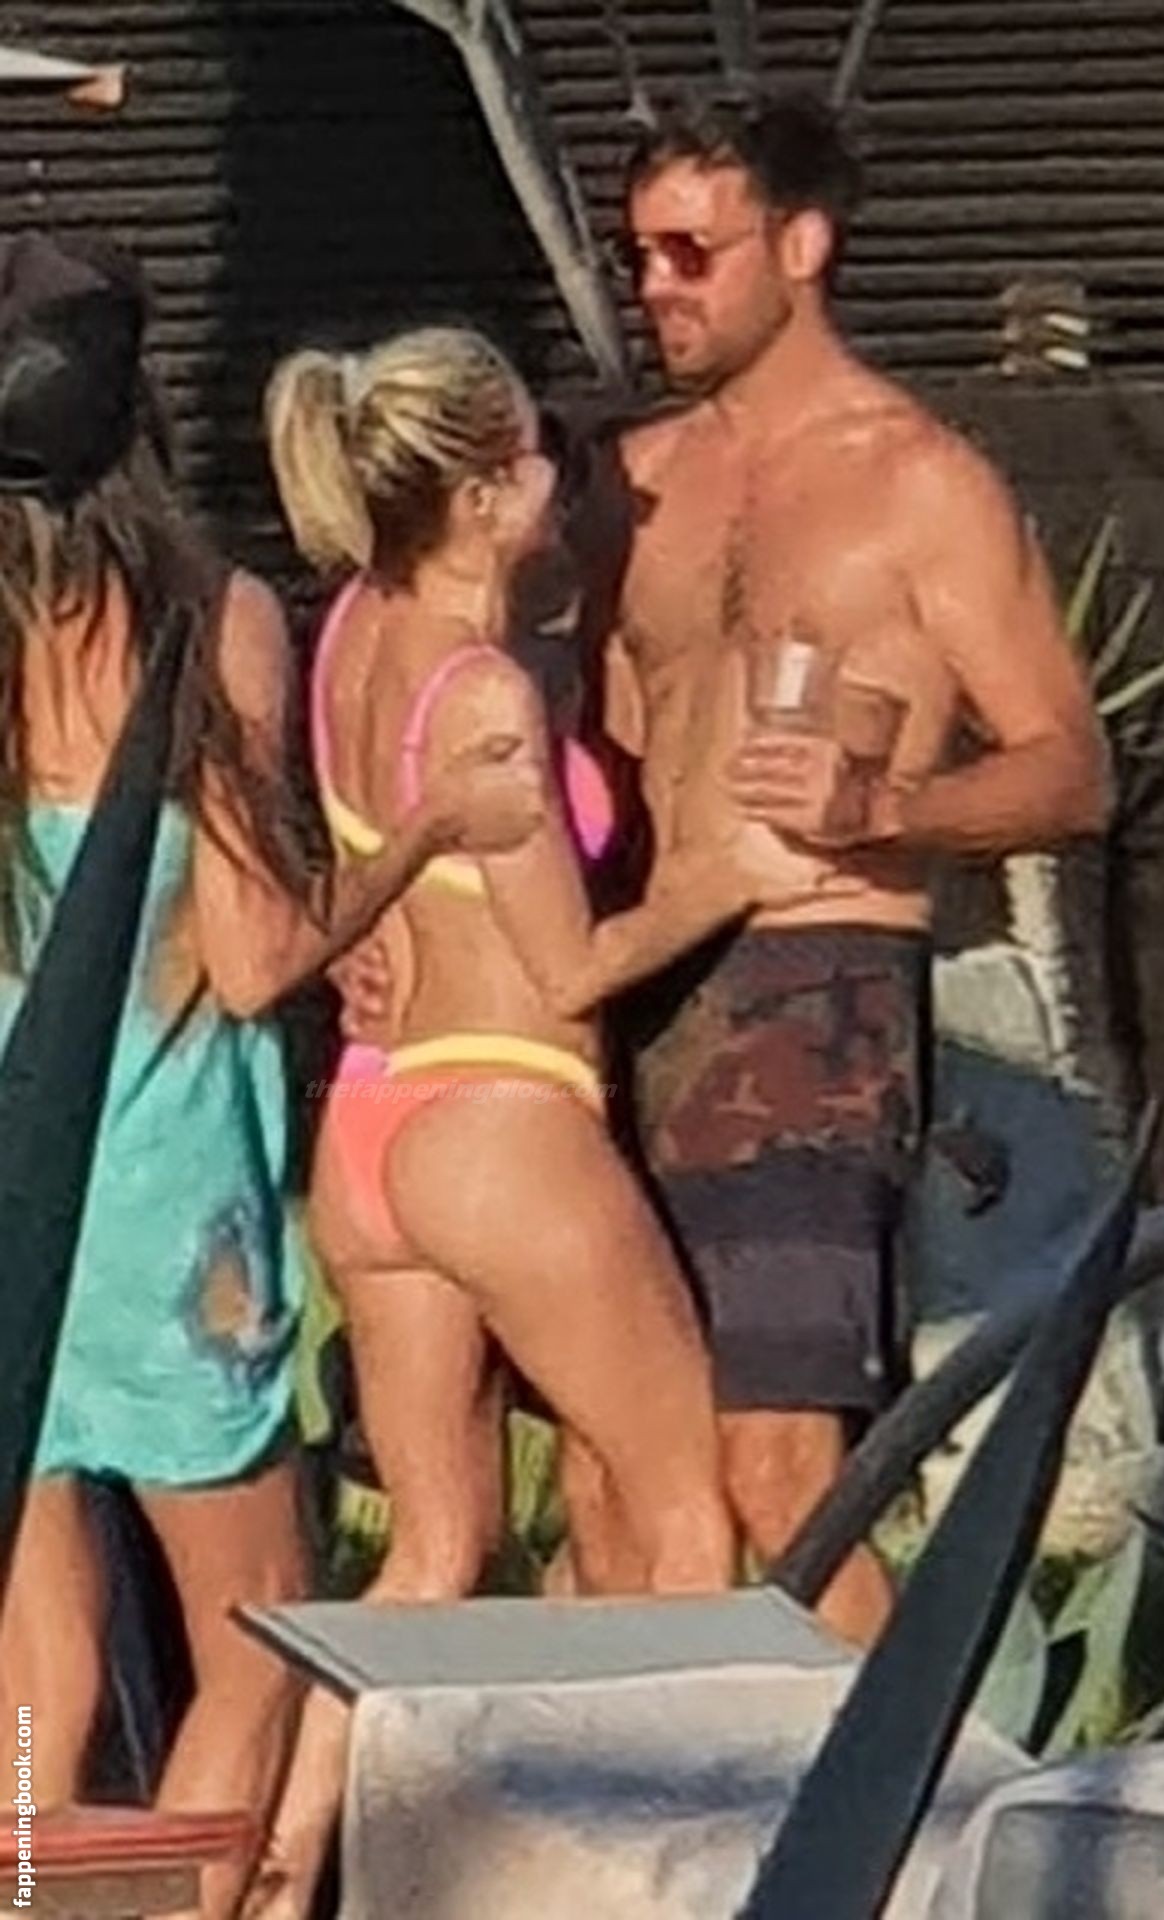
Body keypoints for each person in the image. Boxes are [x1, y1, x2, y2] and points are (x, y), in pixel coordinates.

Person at [0, 235, 544, 1920]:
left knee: (35, 1677)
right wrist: (425, 837)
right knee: (252, 1641)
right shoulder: (205, 617)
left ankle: (26, 1891)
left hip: (13, 1191)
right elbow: (250, 959)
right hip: (164, 1203)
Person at [252, 322, 805, 1918]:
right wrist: (725, 875)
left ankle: (281, 1876)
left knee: (431, 1553)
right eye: (536, 453)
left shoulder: (349, 633)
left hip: (372, 1129)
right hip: (500, 1112)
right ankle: (679, 1879)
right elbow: (567, 967)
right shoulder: (479, 687)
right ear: (488, 493)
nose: (562, 471)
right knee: (685, 1514)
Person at [557, 89, 1113, 1645]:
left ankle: (899, 1777)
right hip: (636, 970)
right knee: (618, 1469)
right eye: (638, 254)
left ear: (801, 246)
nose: (655, 285)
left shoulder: (917, 479)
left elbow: (1070, 766)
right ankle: (645, 1783)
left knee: (777, 1468)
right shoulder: (629, 483)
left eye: (691, 251)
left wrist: (883, 803)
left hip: (814, 981)